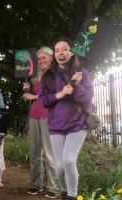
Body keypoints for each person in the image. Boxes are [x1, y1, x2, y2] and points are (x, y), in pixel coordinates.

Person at [39, 38, 94, 200]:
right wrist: (60, 94)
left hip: (77, 123)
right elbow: (43, 100)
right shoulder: (48, 76)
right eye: (57, 50)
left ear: (71, 52)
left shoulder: (81, 72)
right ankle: (65, 192)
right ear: (55, 54)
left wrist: (77, 85)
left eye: (64, 49)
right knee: (59, 167)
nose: (61, 53)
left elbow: (87, 98)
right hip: (56, 124)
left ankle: (72, 196)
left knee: (69, 161)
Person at [23, 46, 59, 199]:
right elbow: (34, 95)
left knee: (50, 154)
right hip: (34, 115)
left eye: (44, 57)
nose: (41, 60)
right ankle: (36, 184)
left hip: (49, 116)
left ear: (52, 58)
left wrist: (34, 97)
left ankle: (53, 187)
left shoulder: (57, 75)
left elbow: (55, 96)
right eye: (39, 59)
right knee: (35, 153)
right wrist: (27, 89)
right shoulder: (35, 76)